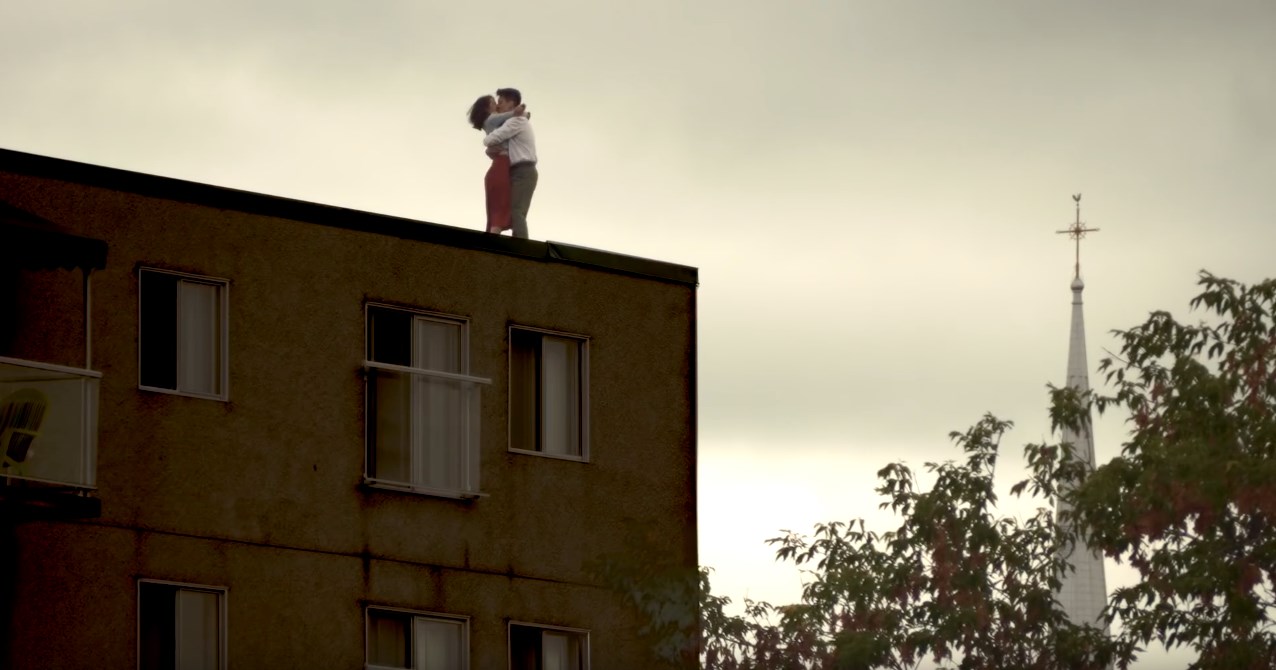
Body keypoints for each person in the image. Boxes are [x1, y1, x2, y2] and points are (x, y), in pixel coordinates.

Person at [482, 88, 538, 240]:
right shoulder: (516, 120)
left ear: (511, 103)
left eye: (501, 102)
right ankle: (518, 247)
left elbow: (490, 140)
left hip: (523, 170)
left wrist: (490, 145)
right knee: (513, 211)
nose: (498, 106)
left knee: (516, 211)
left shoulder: (516, 121)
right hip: (516, 170)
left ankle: (521, 249)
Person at [467, 94, 525, 234]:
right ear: (487, 108)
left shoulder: (492, 122)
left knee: (497, 211)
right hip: (501, 167)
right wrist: (522, 112)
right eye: (494, 102)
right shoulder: (492, 118)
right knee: (500, 208)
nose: (497, 105)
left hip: (499, 167)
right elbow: (514, 115)